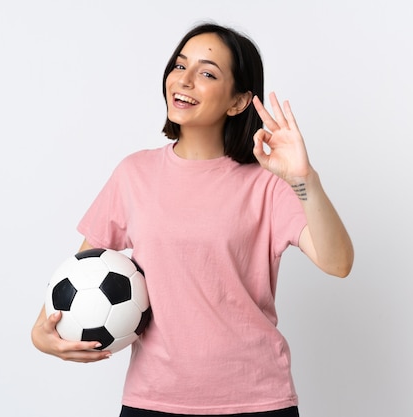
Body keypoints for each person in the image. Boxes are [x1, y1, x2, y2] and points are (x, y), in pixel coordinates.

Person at [32, 22, 354, 417]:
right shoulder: (134, 174)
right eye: (179, 65)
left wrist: (305, 180)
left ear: (238, 102)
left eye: (207, 73)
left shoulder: (266, 182)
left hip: (256, 400)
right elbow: (81, 272)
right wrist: (42, 331)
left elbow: (338, 263)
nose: (183, 80)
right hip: (153, 401)